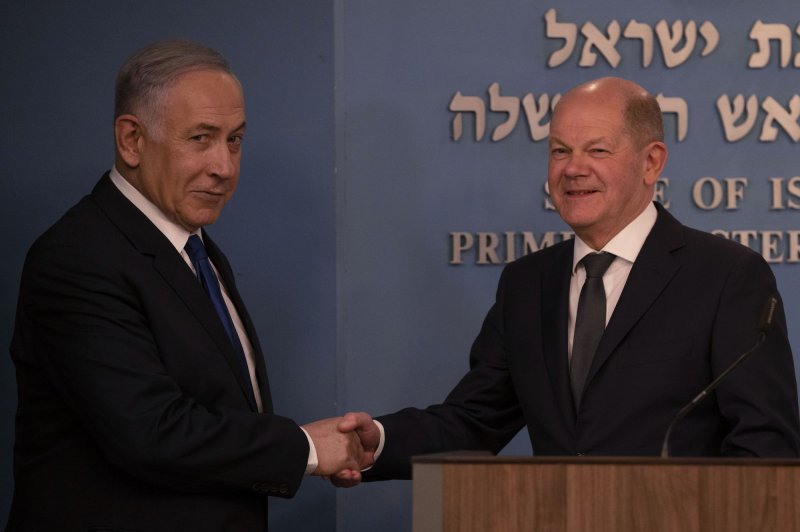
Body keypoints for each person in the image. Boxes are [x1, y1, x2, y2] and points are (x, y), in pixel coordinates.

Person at [336, 76, 800, 483]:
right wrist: (378, 440)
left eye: (597, 150)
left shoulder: (725, 276)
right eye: (560, 150)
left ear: (651, 162)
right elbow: (474, 420)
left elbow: (764, 448)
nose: (573, 168)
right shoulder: (526, 284)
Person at [6, 40, 372, 531]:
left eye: (235, 139)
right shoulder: (78, 257)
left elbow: (216, 412)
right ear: (132, 140)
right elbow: (150, 432)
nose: (224, 166)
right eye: (201, 138)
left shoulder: (195, 249)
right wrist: (306, 450)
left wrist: (312, 453)